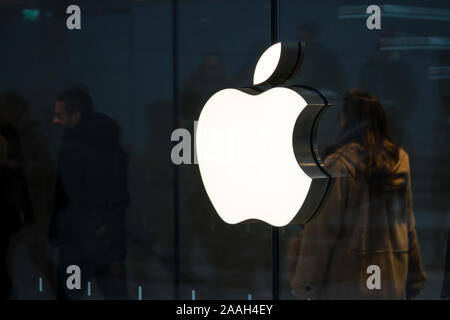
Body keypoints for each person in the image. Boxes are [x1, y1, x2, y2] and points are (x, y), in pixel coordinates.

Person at [290, 89, 426, 300]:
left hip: (348, 281)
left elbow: (321, 232)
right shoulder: (399, 160)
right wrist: (415, 277)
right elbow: (407, 223)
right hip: (391, 278)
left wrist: (305, 286)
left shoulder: (338, 165)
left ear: (346, 121)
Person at [49, 88, 129, 299]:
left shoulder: (71, 151)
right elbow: (122, 198)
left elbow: (67, 200)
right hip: (111, 239)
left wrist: (57, 233)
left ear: (76, 117)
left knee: (68, 294)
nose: (55, 121)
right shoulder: (116, 151)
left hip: (79, 240)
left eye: (59, 115)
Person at [0, 92, 34, 299]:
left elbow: (22, 179)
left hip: (7, 210)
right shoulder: (14, 135)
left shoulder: (16, 136)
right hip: (9, 211)